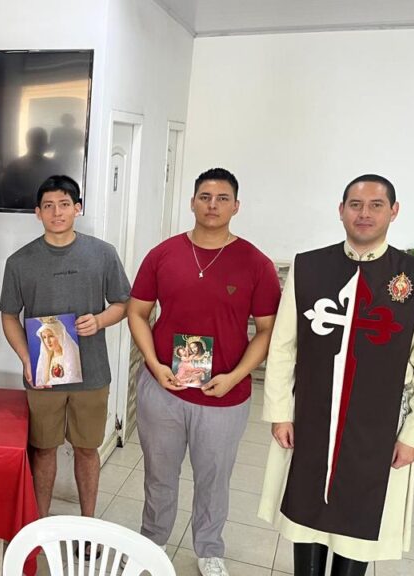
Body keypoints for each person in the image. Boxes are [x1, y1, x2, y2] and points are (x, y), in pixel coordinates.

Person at [257, 174, 414, 576]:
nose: (364, 213)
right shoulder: (309, 266)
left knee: (358, 525)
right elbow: (283, 346)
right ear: (341, 210)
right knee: (305, 516)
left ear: (394, 211)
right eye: (355, 204)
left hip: (379, 428)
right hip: (311, 418)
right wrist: (279, 411)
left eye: (376, 205)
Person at [128, 168, 280, 576]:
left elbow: (267, 331)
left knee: (214, 478)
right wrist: (154, 364)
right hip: (164, 389)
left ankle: (210, 550)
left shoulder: (256, 264)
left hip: (224, 395)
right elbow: (137, 313)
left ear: (236, 206)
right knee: (159, 475)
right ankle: (153, 543)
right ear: (192, 202)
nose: (213, 205)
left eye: (222, 198)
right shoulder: (163, 255)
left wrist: (236, 376)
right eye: (205, 197)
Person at [0, 175, 131, 541]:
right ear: (37, 213)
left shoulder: (102, 253)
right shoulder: (20, 261)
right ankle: (39, 528)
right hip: (43, 374)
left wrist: (100, 320)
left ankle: (88, 525)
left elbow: (123, 303)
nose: (56, 212)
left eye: (64, 204)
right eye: (48, 206)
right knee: (43, 450)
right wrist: (26, 359)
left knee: (87, 449)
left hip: (93, 373)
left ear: (77, 208)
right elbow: (9, 316)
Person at [34, 316, 84, 388]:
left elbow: (71, 378)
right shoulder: (48, 359)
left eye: (51, 336)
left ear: (60, 336)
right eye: (44, 337)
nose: (47, 341)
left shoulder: (69, 357)